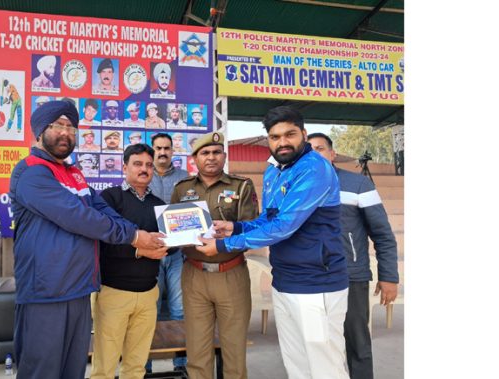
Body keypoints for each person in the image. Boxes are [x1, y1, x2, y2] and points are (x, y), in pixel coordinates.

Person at [8, 100, 165, 378]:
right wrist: (135, 236)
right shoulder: (31, 172)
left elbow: (102, 210)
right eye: (58, 126)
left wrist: (139, 236)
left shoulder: (75, 174)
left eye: (72, 127)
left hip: (78, 289)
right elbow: (78, 216)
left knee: (73, 370)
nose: (66, 133)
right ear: (40, 131)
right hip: (46, 292)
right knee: (42, 371)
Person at [199, 106, 350, 379]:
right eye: (274, 136)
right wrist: (236, 227)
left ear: (303, 134)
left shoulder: (315, 168)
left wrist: (223, 246)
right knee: (297, 364)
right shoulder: (274, 170)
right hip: (284, 280)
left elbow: (284, 226)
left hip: (317, 284)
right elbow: (269, 219)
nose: (282, 142)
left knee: (325, 366)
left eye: (289, 134)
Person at [308, 132, 399, 379]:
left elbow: (382, 234)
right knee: (318, 344)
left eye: (319, 148)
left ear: (332, 153)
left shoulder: (358, 184)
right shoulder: (297, 187)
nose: (313, 154)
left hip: (351, 276)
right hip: (310, 279)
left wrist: (388, 276)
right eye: (308, 149)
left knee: (357, 342)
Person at [171, 131, 259, 379]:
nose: (211, 157)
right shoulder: (182, 189)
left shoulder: (241, 186)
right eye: (205, 153)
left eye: (216, 152)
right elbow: (173, 228)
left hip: (231, 273)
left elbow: (252, 229)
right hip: (194, 275)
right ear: (195, 159)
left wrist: (223, 243)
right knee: (197, 351)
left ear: (224, 156)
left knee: (234, 349)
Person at [91, 144, 170, 379]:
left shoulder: (158, 204)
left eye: (148, 165)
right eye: (137, 164)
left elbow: (168, 246)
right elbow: (103, 245)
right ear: (124, 167)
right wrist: (141, 252)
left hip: (148, 294)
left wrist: (183, 240)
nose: (144, 169)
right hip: (114, 293)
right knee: (104, 367)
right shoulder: (109, 198)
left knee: (136, 367)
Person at [147, 132, 189, 372]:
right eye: (158, 148)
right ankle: (145, 367)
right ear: (153, 150)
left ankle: (180, 366)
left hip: (176, 256)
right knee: (147, 312)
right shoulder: (143, 174)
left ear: (173, 151)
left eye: (166, 148)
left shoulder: (185, 179)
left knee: (179, 310)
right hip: (150, 256)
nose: (162, 152)